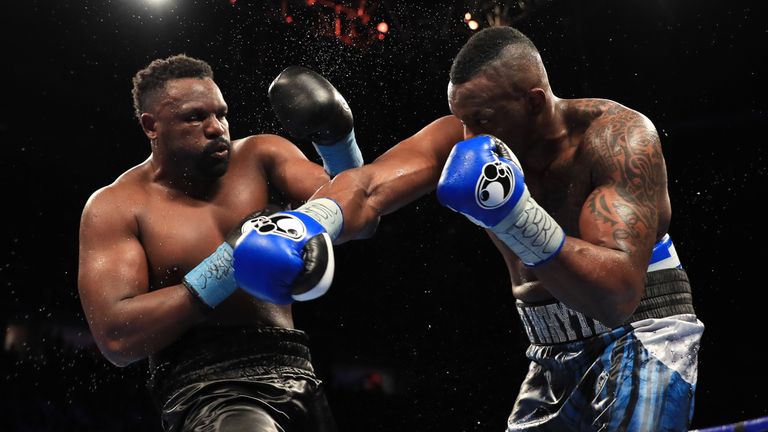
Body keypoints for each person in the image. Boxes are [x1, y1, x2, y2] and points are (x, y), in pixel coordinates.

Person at [247, 27, 704, 431]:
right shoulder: (464, 136)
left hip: (642, 329)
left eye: (482, 120)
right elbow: (368, 189)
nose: (468, 138)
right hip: (548, 344)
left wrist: (515, 215)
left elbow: (616, 298)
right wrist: (305, 224)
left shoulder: (616, 137)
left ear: (535, 101)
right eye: (462, 119)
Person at [77, 54, 363, 431]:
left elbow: (356, 213)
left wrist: (339, 145)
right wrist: (228, 266)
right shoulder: (117, 206)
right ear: (151, 126)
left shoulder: (262, 155)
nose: (217, 128)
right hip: (206, 387)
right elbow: (117, 338)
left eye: (221, 114)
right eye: (196, 117)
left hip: (300, 372)